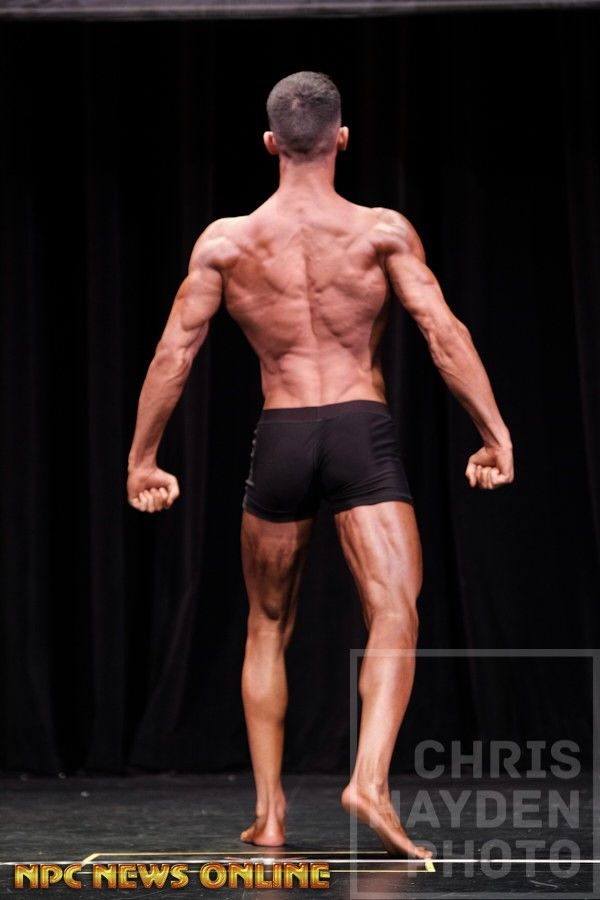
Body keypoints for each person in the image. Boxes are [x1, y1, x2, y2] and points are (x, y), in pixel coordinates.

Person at [126, 71, 514, 859]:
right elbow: (444, 333)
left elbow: (174, 354)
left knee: (266, 625)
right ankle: (368, 780)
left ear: (271, 142)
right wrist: (494, 432)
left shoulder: (226, 243)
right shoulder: (380, 232)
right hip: (358, 429)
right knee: (395, 609)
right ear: (342, 138)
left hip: (282, 435)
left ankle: (270, 816)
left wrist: (142, 459)